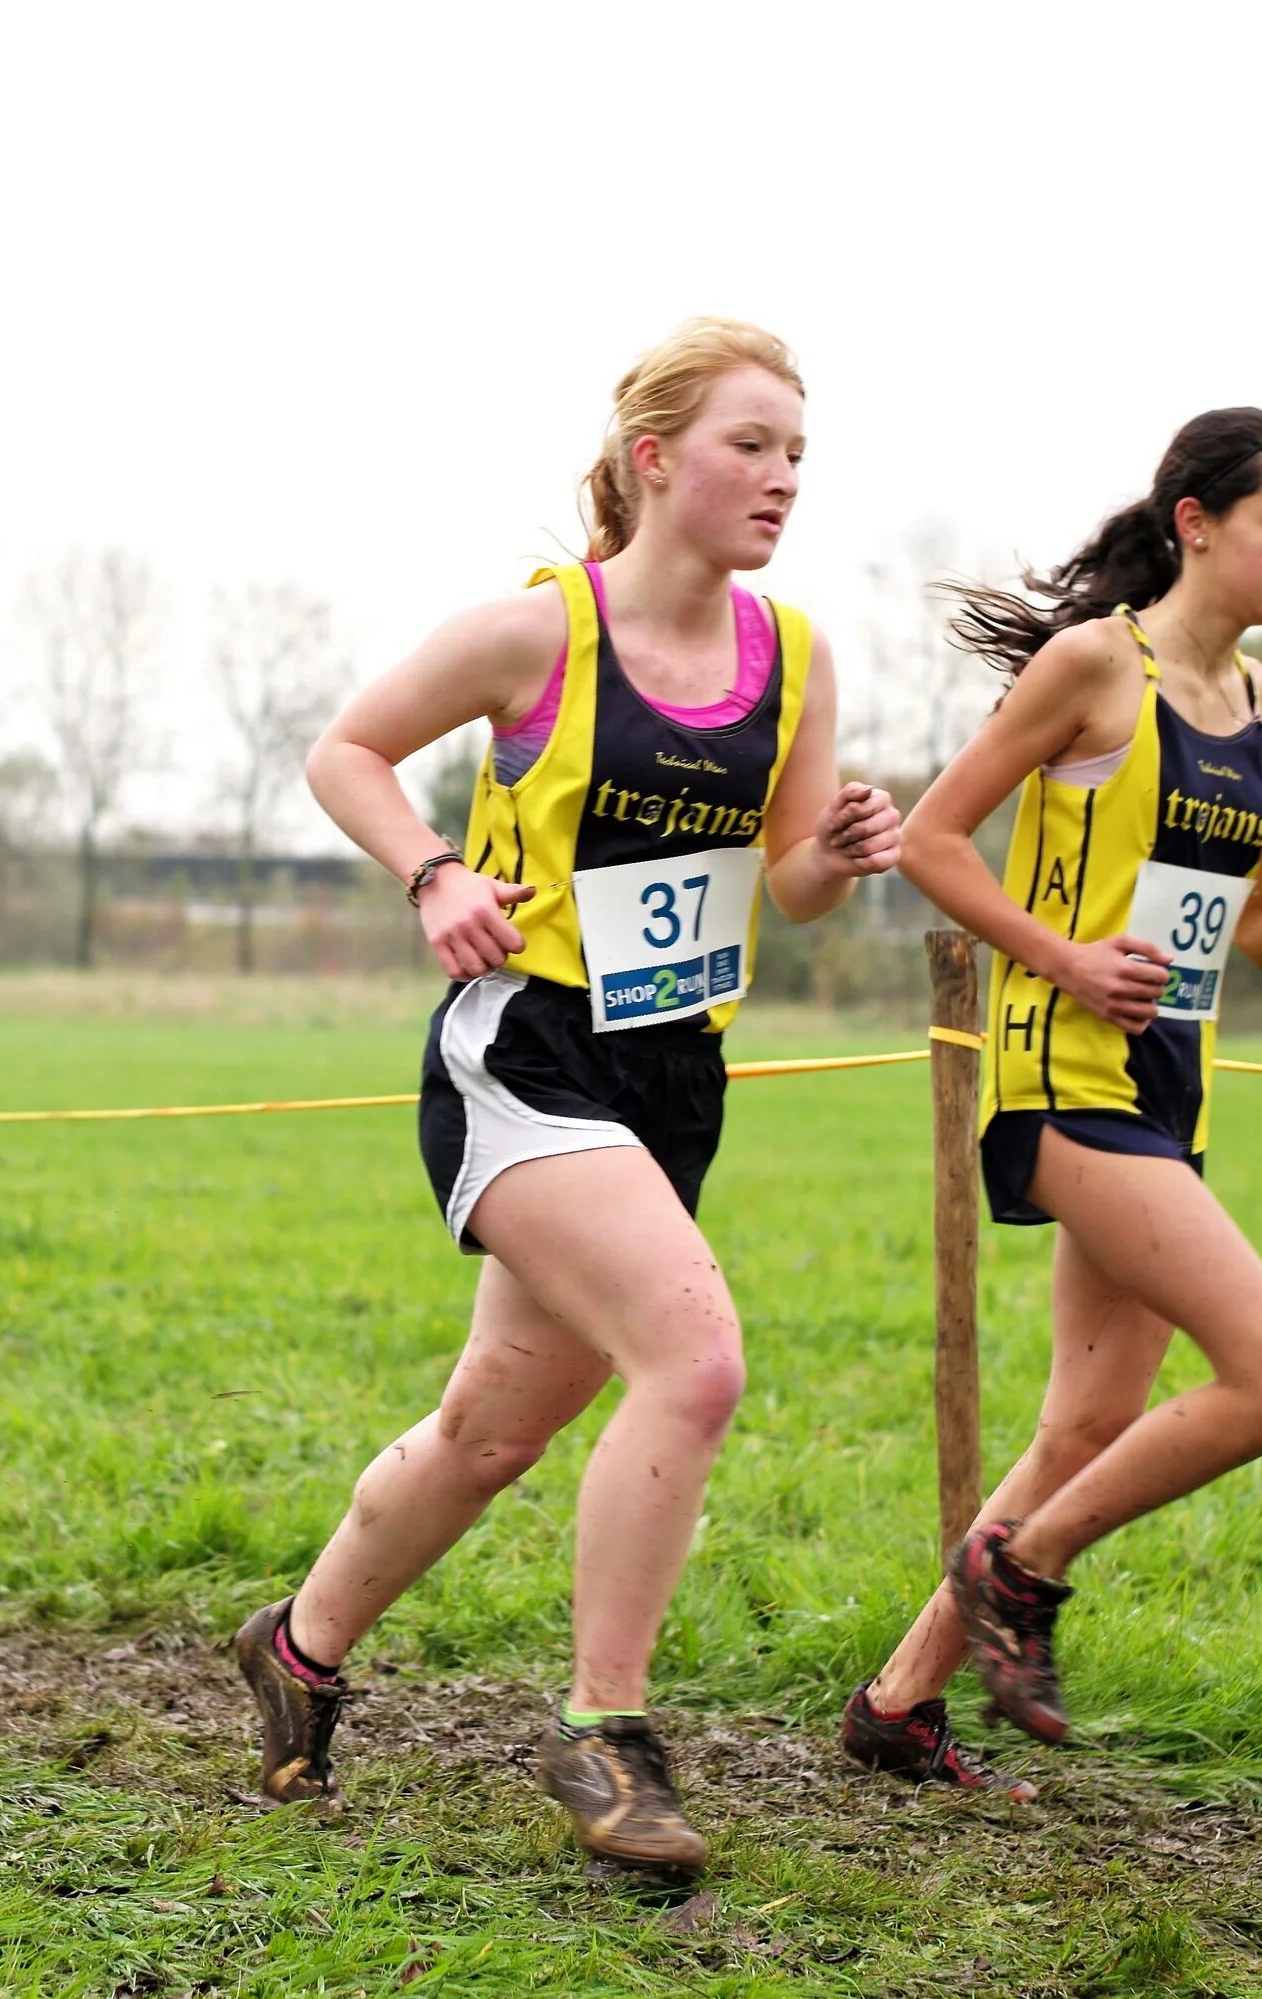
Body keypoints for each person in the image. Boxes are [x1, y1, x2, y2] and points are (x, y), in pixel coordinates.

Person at [234, 318, 901, 1871]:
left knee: (490, 1429)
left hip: (673, 1074)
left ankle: (299, 1647)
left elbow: (788, 885)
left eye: (800, 452)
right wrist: (434, 869)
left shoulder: (796, 656)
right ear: (656, 458)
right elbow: (348, 750)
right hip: (525, 1052)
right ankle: (606, 1732)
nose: (784, 478)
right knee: (697, 1357)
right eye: (754, 444)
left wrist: (844, 845)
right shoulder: (540, 634)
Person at [841, 409, 1262, 1780]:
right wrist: (1065, 956)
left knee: (1089, 1423)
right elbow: (931, 840)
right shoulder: (1095, 666)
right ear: (1197, 521)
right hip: (1059, 1074)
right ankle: (1020, 1569)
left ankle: (898, 1703)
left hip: (1169, 1090)